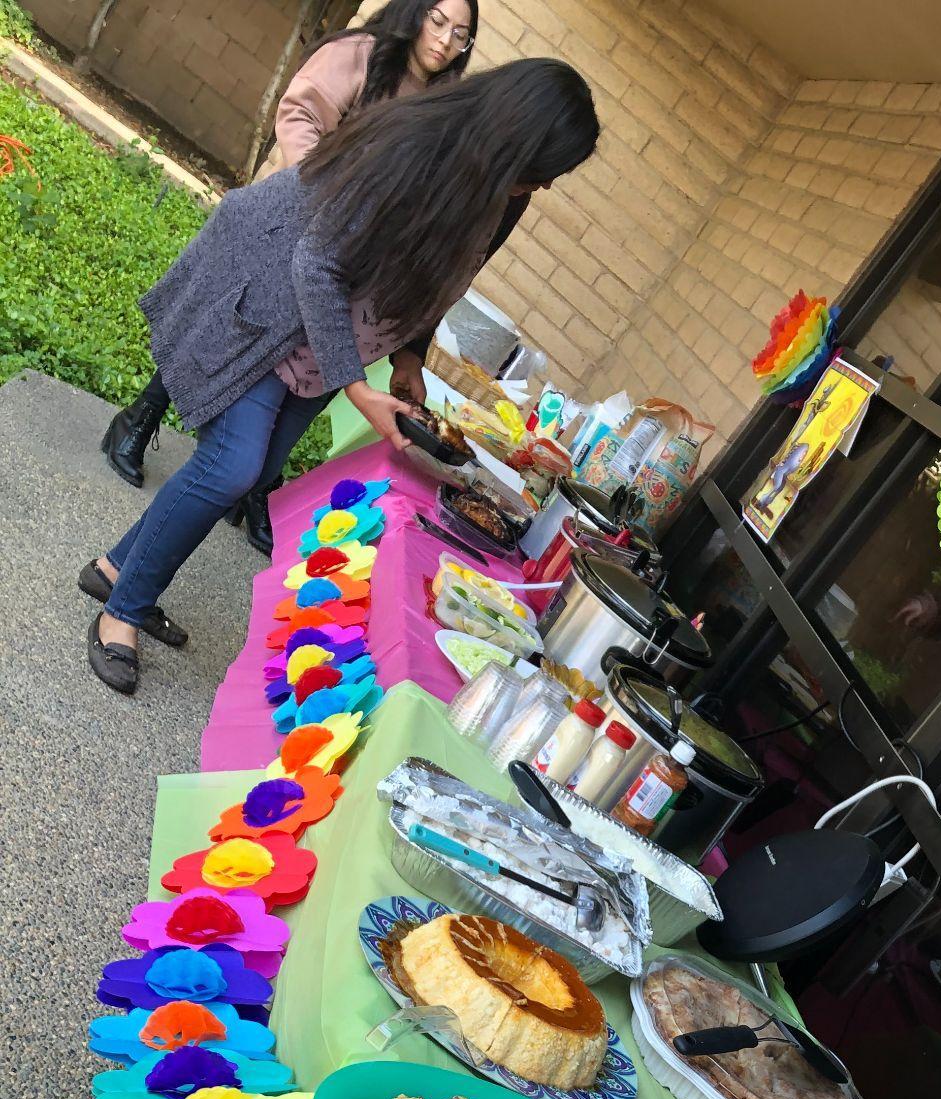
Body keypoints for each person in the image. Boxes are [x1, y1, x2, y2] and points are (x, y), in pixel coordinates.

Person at [82, 57, 599, 696]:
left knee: (256, 470)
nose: (540, 186)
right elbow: (318, 262)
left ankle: (117, 570)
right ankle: (123, 610)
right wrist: (357, 387)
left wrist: (409, 354)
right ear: (515, 138)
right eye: (543, 169)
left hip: (328, 334)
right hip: (274, 301)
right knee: (231, 466)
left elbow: (445, 277)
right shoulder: (413, 147)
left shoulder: (497, 192)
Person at [99, 0, 479, 555]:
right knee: (219, 333)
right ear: (415, 13)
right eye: (438, 21)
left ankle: (251, 482)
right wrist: (324, 196)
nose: (444, 40)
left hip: (341, 260)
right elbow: (299, 114)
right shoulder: (362, 54)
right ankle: (140, 416)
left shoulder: (443, 107)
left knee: (275, 363)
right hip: (283, 227)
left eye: (460, 34)